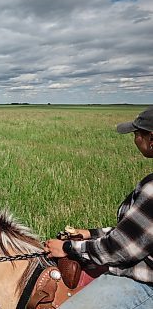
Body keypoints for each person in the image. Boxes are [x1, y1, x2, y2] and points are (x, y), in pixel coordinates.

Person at [45, 106, 153, 309]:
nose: (135, 139)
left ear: (152, 139)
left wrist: (68, 247)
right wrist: (88, 234)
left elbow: (120, 249)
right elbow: (138, 234)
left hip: (145, 285)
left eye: (138, 133)